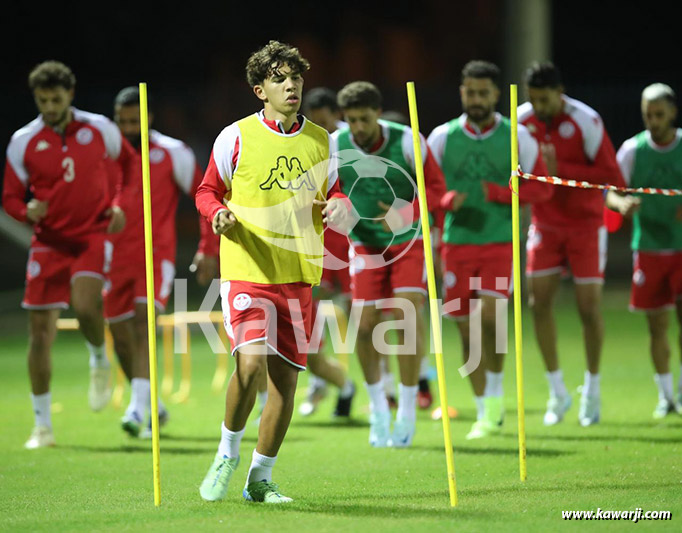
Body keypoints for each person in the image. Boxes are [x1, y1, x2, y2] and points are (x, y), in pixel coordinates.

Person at [195, 41, 351, 503]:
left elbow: (336, 195)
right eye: (281, 79)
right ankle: (227, 453)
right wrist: (216, 215)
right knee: (250, 363)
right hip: (247, 269)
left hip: (298, 274)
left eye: (297, 78)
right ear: (260, 89)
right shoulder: (236, 136)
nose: (291, 86)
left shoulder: (322, 140)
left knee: (287, 380)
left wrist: (341, 209)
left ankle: (259, 479)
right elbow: (208, 190)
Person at [2, 60, 134, 449]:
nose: (49, 106)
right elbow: (10, 196)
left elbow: (128, 164)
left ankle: (98, 356)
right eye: (42, 100)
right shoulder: (23, 141)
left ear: (70, 95)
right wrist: (24, 211)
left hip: (91, 235)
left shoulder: (100, 129)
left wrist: (118, 202)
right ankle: (42, 426)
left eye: (56, 99)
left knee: (87, 306)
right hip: (48, 242)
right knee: (39, 333)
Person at [428, 60, 551, 439]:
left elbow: (543, 187)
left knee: (493, 318)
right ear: (462, 93)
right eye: (470, 92)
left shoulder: (518, 137)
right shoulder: (441, 137)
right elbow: (422, 188)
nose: (477, 99)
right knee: (466, 331)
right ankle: (484, 410)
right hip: (457, 244)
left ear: (497, 95)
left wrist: (502, 193)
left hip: (499, 242)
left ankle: (495, 395)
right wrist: (445, 199)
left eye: (484, 92)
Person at [333, 81, 446, 447]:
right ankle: (379, 407)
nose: (359, 128)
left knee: (407, 313)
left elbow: (437, 190)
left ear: (378, 114)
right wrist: (337, 202)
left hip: (408, 240)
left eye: (364, 119)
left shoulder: (408, 140)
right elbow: (328, 188)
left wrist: (406, 211)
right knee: (364, 326)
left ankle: (409, 409)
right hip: (365, 244)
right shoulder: (336, 145)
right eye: (352, 121)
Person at [105, 86, 219, 438]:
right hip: (112, 258)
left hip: (156, 256)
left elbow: (204, 195)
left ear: (148, 118)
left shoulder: (173, 152)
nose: (126, 128)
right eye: (120, 121)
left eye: (132, 121)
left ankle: (137, 410)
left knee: (144, 322)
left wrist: (207, 248)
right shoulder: (105, 154)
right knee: (119, 333)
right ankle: (150, 402)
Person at [519, 61, 626, 426]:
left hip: (585, 224)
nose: (539, 107)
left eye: (545, 99)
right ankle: (557, 392)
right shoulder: (521, 120)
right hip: (545, 223)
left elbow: (612, 176)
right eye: (534, 99)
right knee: (538, 303)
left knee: (587, 308)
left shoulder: (586, 120)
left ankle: (592, 391)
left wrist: (561, 168)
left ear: (560, 93)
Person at [607, 83, 682, 419]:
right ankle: (666, 396)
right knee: (656, 326)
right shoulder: (632, 149)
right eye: (647, 114)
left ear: (673, 113)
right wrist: (622, 202)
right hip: (649, 248)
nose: (653, 120)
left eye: (659, 114)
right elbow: (609, 190)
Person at [299, 87, 356, 418]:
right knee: (307, 311)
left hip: (349, 243)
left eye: (328, 124)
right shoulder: (308, 145)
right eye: (318, 124)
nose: (326, 131)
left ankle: (390, 386)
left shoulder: (351, 144)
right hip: (317, 243)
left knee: (361, 317)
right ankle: (323, 379)